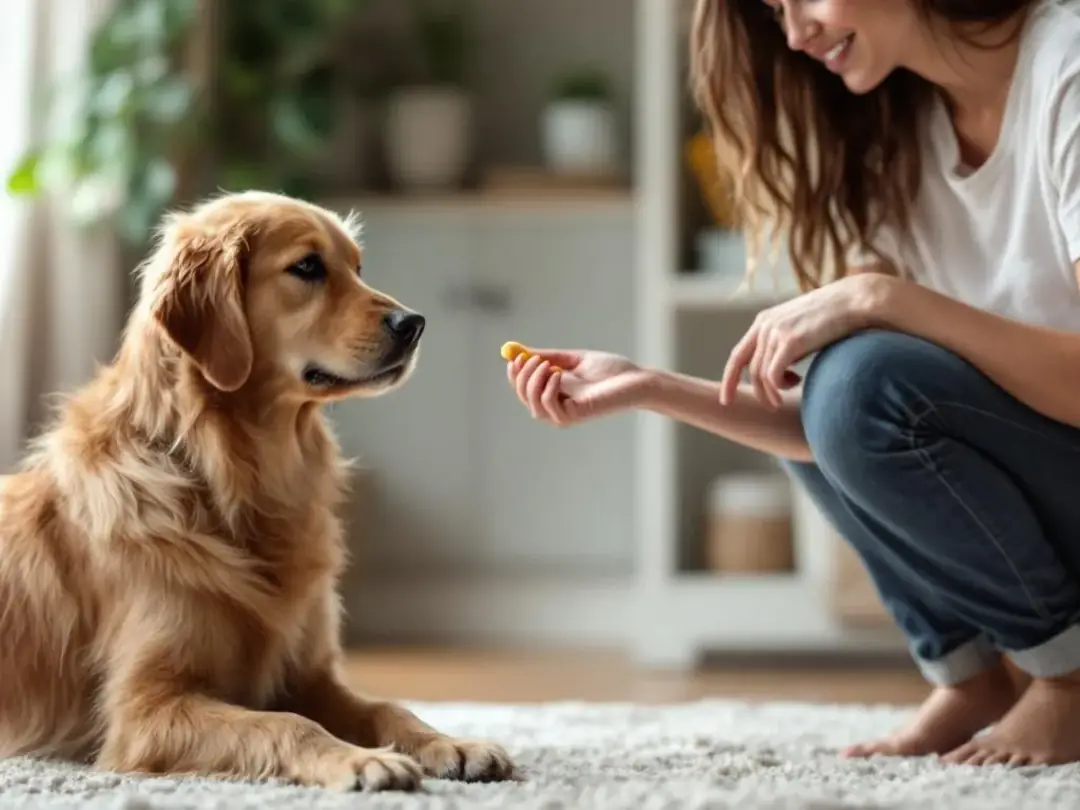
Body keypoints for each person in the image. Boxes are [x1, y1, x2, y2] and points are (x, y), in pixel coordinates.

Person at [504, 0, 1080, 768]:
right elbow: (835, 424)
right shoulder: (900, 134)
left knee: (862, 374)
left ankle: (1069, 679)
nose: (796, 32)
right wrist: (645, 385)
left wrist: (888, 300)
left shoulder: (1067, 64)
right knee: (827, 386)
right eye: (776, 10)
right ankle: (973, 678)